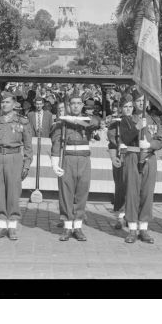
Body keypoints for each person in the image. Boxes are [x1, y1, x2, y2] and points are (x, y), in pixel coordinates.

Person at [0, 92, 32, 241]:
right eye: (2, 102)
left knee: (13, 192)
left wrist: (26, 165)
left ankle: (12, 227)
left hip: (14, 158)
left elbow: (28, 146)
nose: (4, 105)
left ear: (14, 104)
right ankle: (1, 225)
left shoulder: (22, 122)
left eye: (7, 102)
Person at [50, 95, 100, 241]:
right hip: (68, 159)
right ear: (69, 106)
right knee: (66, 193)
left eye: (79, 103)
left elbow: (96, 123)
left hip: (84, 159)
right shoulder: (62, 123)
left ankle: (77, 227)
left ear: (83, 105)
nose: (76, 106)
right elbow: (56, 142)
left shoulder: (87, 120)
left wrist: (78, 121)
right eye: (73, 104)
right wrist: (54, 162)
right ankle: (67, 226)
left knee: (82, 193)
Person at [119, 94, 162, 244]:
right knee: (132, 193)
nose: (140, 103)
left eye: (143, 101)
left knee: (147, 193)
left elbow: (160, 139)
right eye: (137, 101)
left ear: (148, 103)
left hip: (149, 157)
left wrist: (151, 145)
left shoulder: (155, 119)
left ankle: (143, 229)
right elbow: (124, 138)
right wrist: (137, 128)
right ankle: (132, 229)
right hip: (132, 156)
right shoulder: (127, 119)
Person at [106, 112, 126, 230]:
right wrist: (114, 158)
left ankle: (130, 215)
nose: (127, 109)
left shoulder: (136, 122)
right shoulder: (115, 125)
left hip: (133, 157)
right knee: (120, 187)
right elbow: (112, 143)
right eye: (125, 107)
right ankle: (120, 216)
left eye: (130, 106)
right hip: (119, 157)